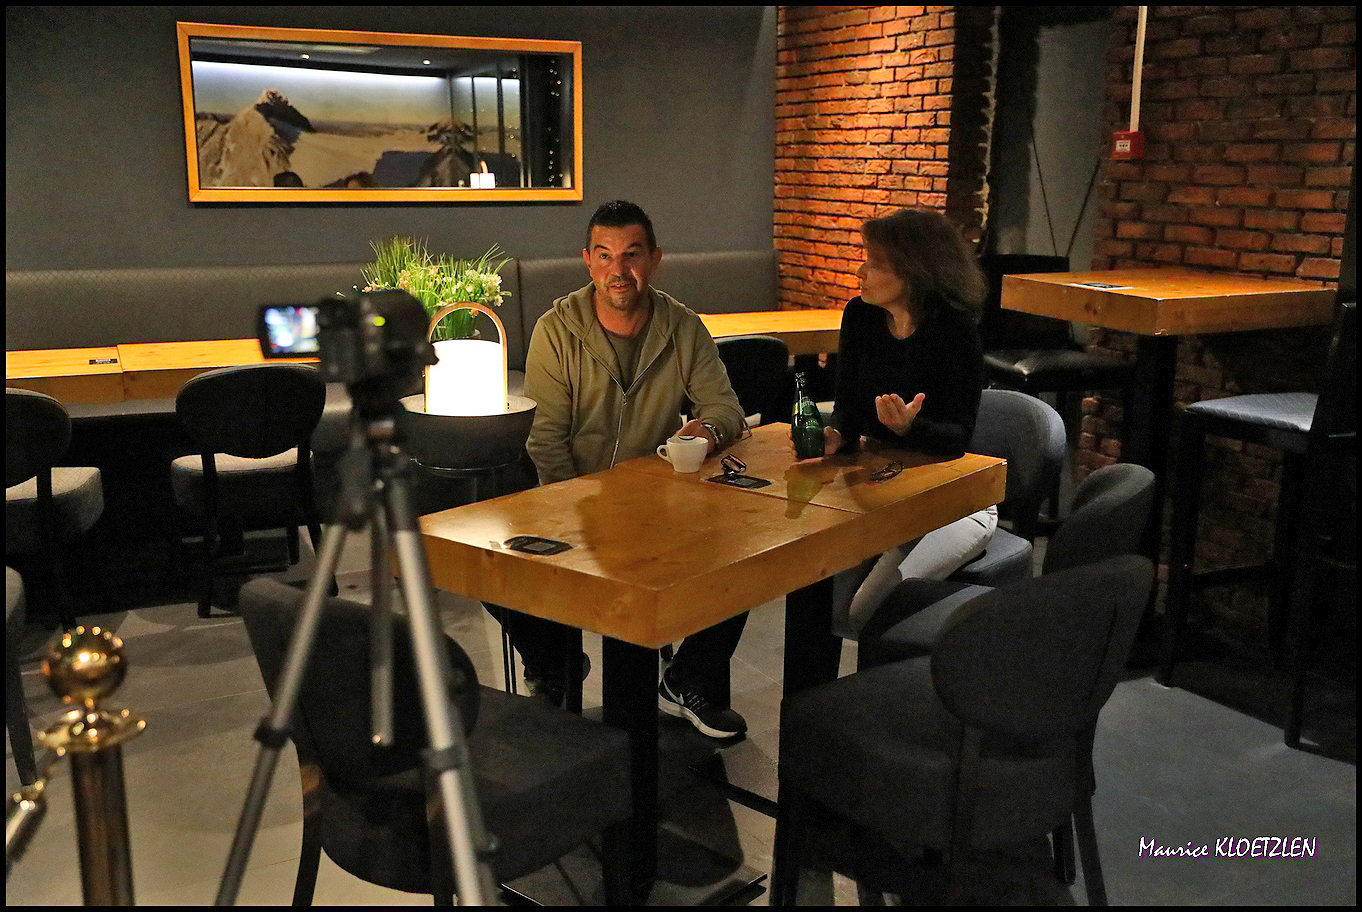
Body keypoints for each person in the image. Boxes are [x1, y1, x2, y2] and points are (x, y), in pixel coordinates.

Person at [508, 199, 750, 739]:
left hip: (656, 502)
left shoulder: (682, 326)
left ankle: (688, 678)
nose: (618, 270)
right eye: (605, 255)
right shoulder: (556, 329)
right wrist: (570, 511)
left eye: (632, 255)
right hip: (568, 500)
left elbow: (725, 409)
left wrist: (706, 431)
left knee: (742, 554)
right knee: (494, 566)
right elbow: (545, 438)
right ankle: (554, 664)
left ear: (655, 259)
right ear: (588, 261)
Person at [813, 208, 996, 639]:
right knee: (824, 603)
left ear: (914, 272)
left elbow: (958, 437)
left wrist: (909, 429)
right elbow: (847, 407)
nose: (860, 271)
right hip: (885, 484)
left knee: (861, 613)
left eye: (874, 263)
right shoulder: (860, 316)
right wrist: (836, 434)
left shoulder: (954, 331)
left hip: (953, 497)